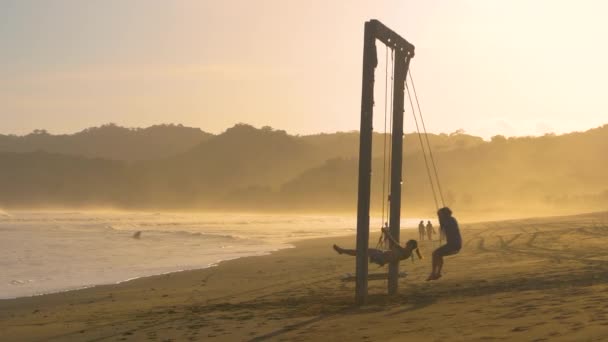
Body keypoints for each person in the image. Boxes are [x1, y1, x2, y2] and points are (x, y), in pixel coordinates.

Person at [333, 227, 422, 267]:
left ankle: (342, 251)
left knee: (360, 252)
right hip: (381, 255)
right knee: (360, 251)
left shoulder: (406, 252)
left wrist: (387, 233)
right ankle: (342, 251)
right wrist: (386, 233)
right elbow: (395, 245)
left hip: (381, 257)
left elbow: (394, 243)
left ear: (411, 246)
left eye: (407, 244)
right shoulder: (406, 251)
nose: (406, 244)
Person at [427, 207, 461, 281]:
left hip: (454, 245)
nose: (438, 216)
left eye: (439, 215)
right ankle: (437, 273)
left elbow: (444, 229)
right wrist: (441, 221)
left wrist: (441, 221)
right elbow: (443, 231)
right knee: (438, 254)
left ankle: (434, 273)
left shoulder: (450, 220)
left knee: (435, 253)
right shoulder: (450, 220)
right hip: (454, 244)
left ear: (445, 214)